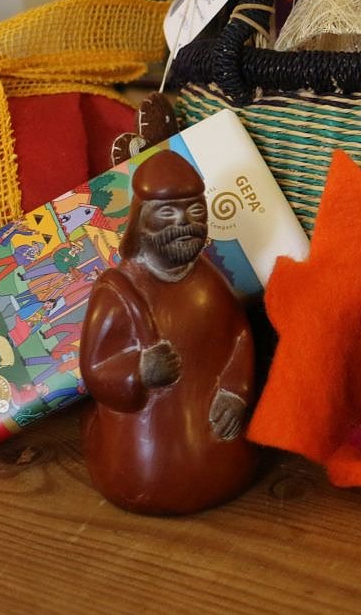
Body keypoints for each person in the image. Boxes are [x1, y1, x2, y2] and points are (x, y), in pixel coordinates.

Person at [79, 151, 258, 515]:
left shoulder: (209, 281)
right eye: (166, 213)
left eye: (195, 211)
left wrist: (235, 392)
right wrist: (140, 372)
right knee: (146, 476)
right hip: (141, 458)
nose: (184, 223)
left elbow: (238, 336)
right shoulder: (117, 293)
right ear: (140, 221)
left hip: (217, 442)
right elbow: (96, 369)